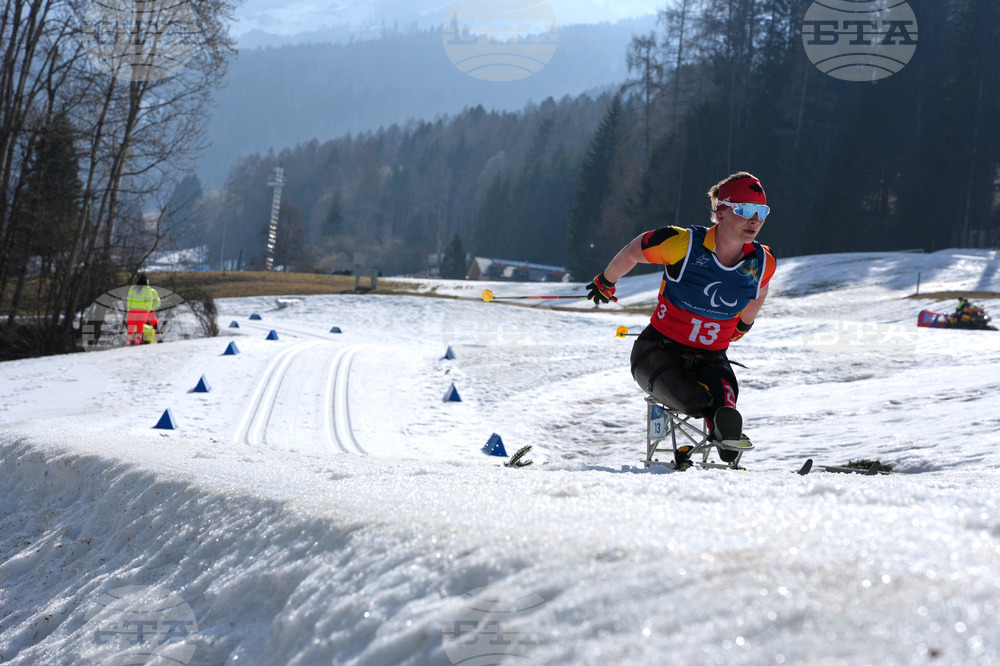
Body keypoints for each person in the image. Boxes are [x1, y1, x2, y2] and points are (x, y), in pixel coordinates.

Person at [586, 172, 777, 469]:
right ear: (721, 211)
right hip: (658, 349)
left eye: (761, 212)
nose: (754, 220)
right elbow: (634, 250)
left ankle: (724, 432)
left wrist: (744, 325)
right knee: (695, 400)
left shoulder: (762, 261)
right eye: (745, 211)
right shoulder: (683, 244)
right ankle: (715, 431)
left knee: (726, 399)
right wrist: (606, 281)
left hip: (711, 355)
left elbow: (760, 289)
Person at [125, 273, 161, 345]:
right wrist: (150, 308)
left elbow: (129, 299)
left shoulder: (134, 289)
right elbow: (156, 302)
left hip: (141, 310)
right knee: (143, 325)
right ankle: (156, 339)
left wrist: (129, 308)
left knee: (134, 325)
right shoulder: (151, 291)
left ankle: (131, 341)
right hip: (146, 311)